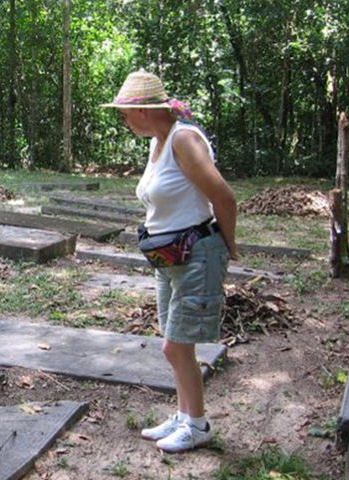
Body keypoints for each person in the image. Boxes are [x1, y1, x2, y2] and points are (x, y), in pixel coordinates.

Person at [102, 69, 238, 453]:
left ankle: (197, 425)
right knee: (175, 343)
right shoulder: (159, 142)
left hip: (197, 252)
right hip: (169, 256)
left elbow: (224, 197)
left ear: (143, 111)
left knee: (175, 347)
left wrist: (228, 247)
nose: (124, 121)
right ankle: (183, 416)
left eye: (125, 114)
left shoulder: (183, 140)